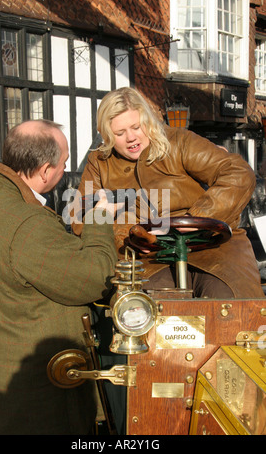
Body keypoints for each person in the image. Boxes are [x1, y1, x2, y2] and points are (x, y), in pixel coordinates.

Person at [0, 119, 123, 435]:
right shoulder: (26, 223)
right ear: (46, 170)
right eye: (64, 164)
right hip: (40, 400)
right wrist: (99, 216)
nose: (65, 170)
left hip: (5, 381)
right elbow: (94, 276)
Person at [72, 87, 264, 299]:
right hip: (146, 258)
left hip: (212, 245)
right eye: (119, 133)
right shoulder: (100, 162)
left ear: (147, 121)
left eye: (136, 127)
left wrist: (193, 221)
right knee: (152, 310)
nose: (130, 138)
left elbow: (238, 173)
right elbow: (80, 220)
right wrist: (129, 234)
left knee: (224, 303)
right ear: (107, 134)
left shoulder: (178, 141)